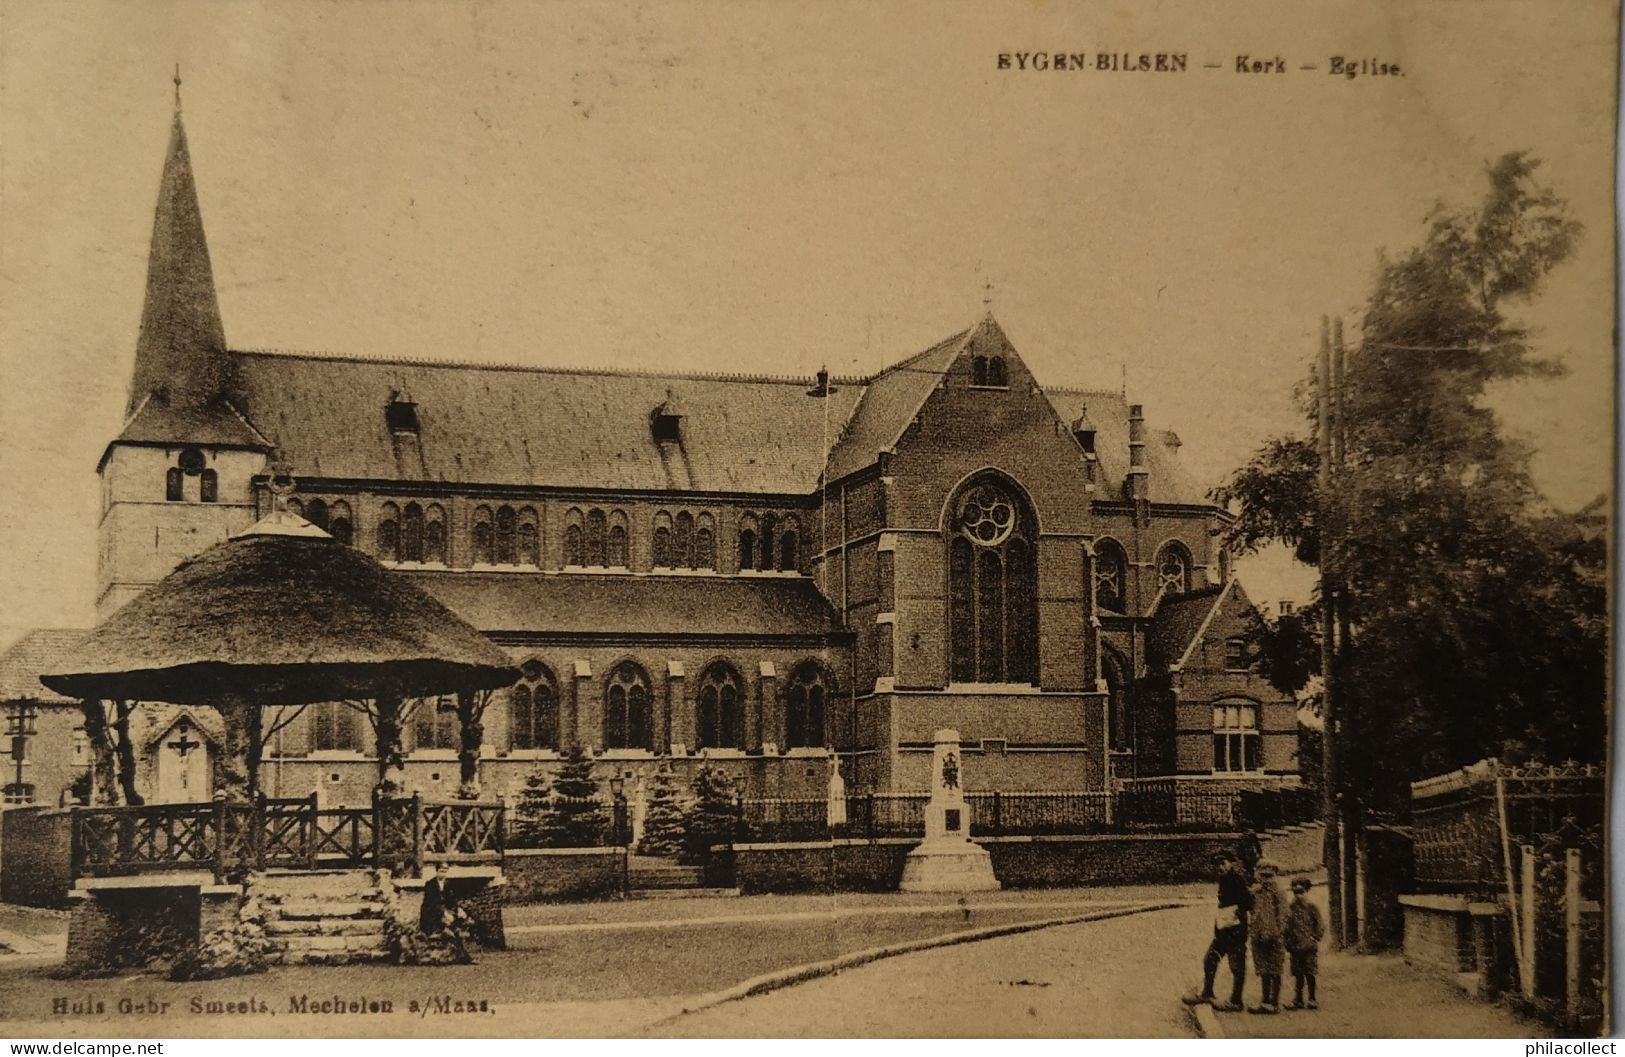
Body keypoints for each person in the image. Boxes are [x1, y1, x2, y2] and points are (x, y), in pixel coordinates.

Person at [1183, 849, 1253, 1011]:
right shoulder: (1224, 880)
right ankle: (1207, 992)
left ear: (1231, 863)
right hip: (1223, 929)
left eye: (1223, 864)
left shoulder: (1237, 880)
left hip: (1235, 930)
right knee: (1210, 959)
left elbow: (1248, 902)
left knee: (1237, 965)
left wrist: (1236, 911)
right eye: (1217, 865)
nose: (1220, 868)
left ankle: (1236, 1001)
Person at [1248, 859, 1287, 1014]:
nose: (1266, 879)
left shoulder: (1279, 892)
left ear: (1275, 875)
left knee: (1275, 969)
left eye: (1269, 876)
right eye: (1263, 876)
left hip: (1274, 937)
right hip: (1258, 936)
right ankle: (1265, 1001)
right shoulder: (1256, 892)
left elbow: (1283, 915)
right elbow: (1252, 911)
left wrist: (1277, 933)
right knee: (1263, 969)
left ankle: (1274, 1002)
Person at [1285, 877, 1324, 1009]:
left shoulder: (1312, 907)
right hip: (1295, 947)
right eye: (1296, 893)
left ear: (1307, 891)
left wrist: (1315, 937)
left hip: (1309, 947)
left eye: (1301, 892)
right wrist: (1287, 941)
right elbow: (1287, 925)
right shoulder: (1290, 908)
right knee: (1298, 974)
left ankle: (1312, 999)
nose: (1298, 896)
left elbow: (1320, 924)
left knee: (1310, 973)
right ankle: (1298, 999)